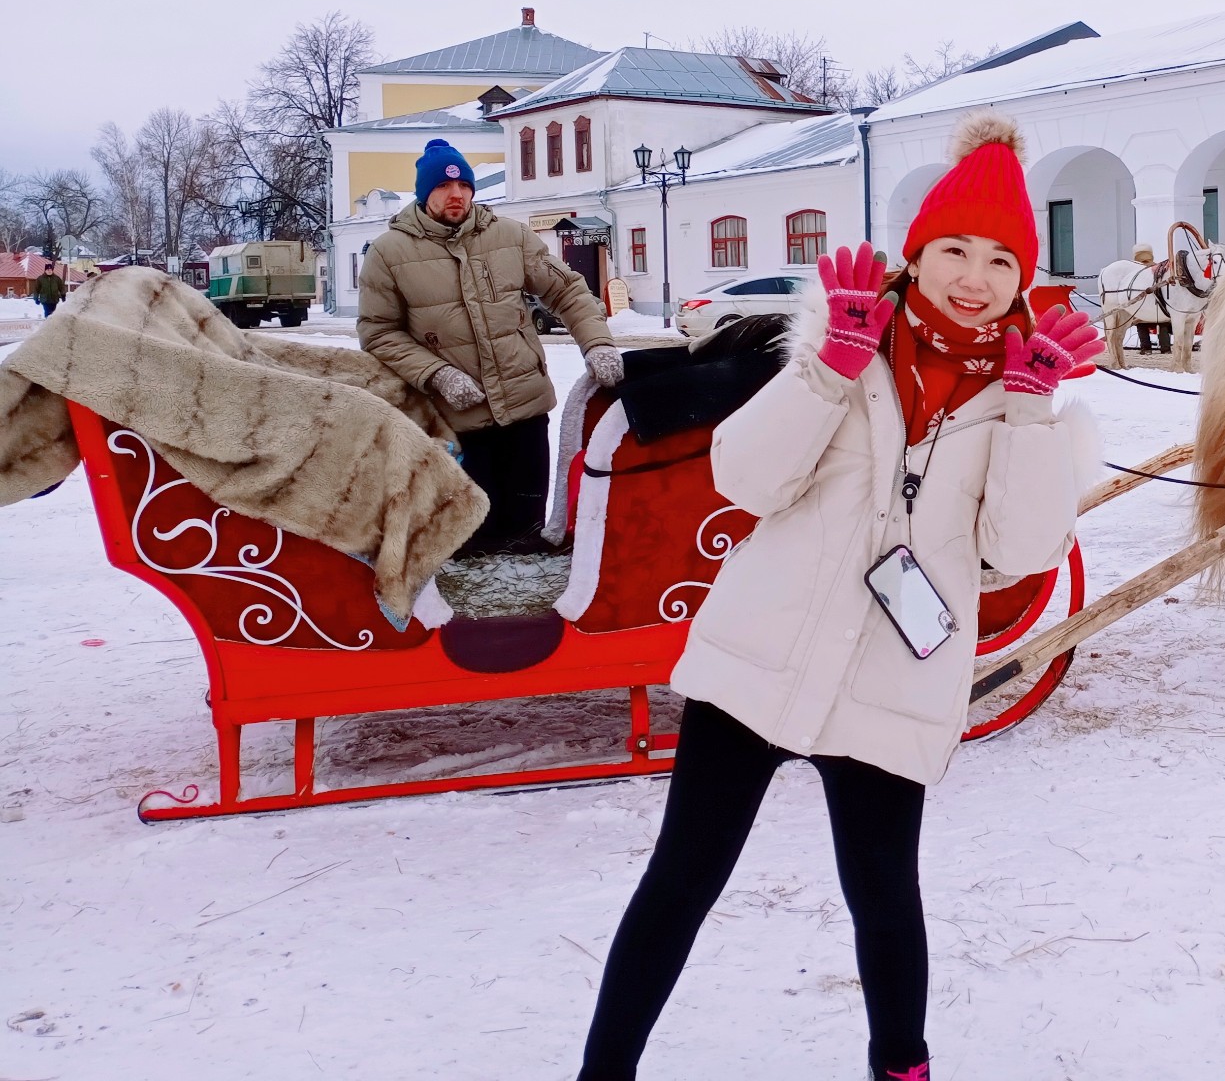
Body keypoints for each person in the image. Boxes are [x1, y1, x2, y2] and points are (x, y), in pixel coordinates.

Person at [577, 112, 1104, 1081]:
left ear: (1023, 276)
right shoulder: (841, 341)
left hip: (888, 684)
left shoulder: (1025, 394)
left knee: (883, 901)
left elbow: (1018, 552)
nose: (972, 277)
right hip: (757, 661)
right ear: (917, 250)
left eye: (998, 259)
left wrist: (1031, 414)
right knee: (680, 884)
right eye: (952, 248)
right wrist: (826, 371)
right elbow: (743, 478)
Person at [357, 138, 624, 555]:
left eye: (464, 185)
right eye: (444, 187)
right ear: (425, 193)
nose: (456, 194)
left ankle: (530, 608)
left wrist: (597, 344)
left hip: (525, 408)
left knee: (526, 531)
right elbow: (378, 332)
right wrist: (436, 374)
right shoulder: (390, 253)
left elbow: (569, 292)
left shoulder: (510, 237)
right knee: (472, 536)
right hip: (457, 420)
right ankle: (470, 615)